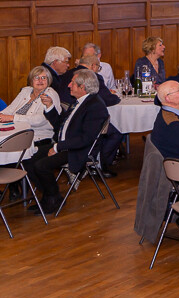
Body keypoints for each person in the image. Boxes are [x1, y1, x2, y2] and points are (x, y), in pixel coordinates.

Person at [24, 69, 109, 214]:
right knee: (28, 158)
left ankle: (52, 198)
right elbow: (61, 125)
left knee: (41, 165)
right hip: (67, 144)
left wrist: (58, 147)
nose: (69, 85)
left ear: (83, 87)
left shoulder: (95, 106)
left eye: (73, 83)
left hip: (77, 150)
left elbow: (85, 139)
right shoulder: (80, 101)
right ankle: (52, 196)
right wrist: (50, 106)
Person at [0, 66, 62, 147]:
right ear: (31, 80)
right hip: (16, 130)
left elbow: (39, 120)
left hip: (36, 136)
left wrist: (12, 118)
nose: (40, 80)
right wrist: (2, 115)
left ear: (48, 80)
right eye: (37, 77)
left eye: (43, 78)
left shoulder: (50, 94)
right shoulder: (26, 90)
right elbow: (11, 108)